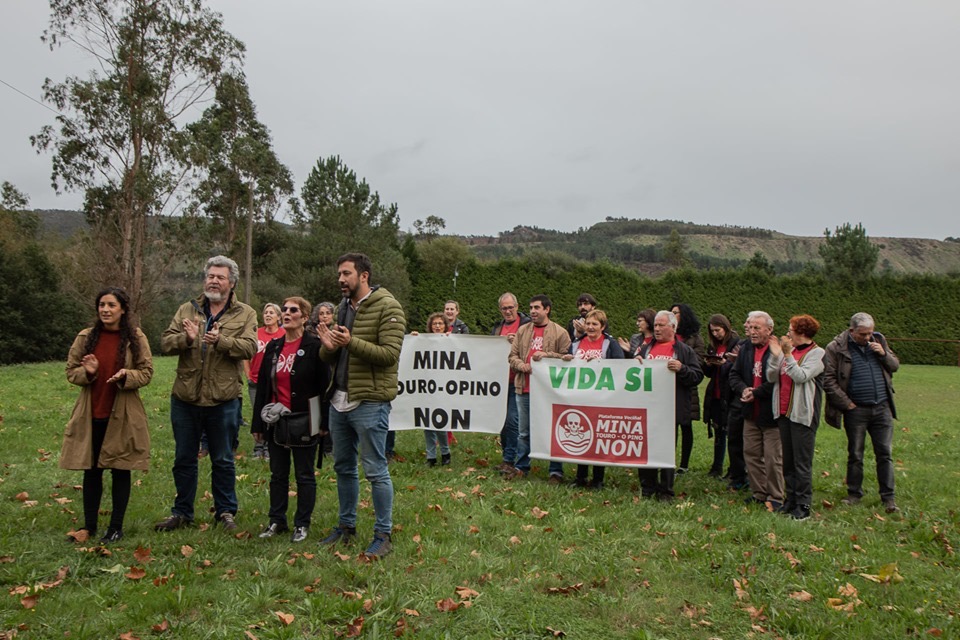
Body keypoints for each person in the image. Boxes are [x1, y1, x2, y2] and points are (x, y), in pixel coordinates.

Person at [155, 255, 257, 532]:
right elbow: (165, 342)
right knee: (184, 458)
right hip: (186, 397)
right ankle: (182, 512)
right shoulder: (187, 309)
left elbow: (250, 347)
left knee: (223, 459)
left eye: (220, 277)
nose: (213, 281)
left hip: (223, 398)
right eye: (210, 276)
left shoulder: (245, 313)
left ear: (232, 283)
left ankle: (225, 512)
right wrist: (186, 338)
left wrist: (221, 341)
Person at [317, 253, 405, 558]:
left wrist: (350, 342)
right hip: (339, 399)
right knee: (342, 467)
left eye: (346, 274)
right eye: (339, 274)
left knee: (375, 470)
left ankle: (383, 534)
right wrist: (328, 348)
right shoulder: (342, 307)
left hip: (369, 401)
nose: (340, 279)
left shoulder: (388, 306)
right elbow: (334, 355)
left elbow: (389, 355)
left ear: (363, 275)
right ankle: (346, 526)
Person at [61, 287, 153, 543]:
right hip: (92, 412)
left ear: (123, 309)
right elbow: (71, 371)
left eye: (111, 305)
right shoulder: (86, 337)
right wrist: (89, 372)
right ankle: (88, 526)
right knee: (91, 471)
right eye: (102, 305)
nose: (105, 309)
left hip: (123, 413)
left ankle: (115, 527)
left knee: (120, 469)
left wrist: (126, 375)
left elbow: (146, 372)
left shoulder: (135, 337)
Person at [252, 297, 330, 543]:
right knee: (278, 474)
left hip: (306, 417)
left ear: (304, 317)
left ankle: (302, 524)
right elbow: (263, 387)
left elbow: (324, 386)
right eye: (284, 309)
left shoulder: (314, 346)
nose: (286, 313)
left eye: (293, 310)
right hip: (277, 419)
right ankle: (276, 520)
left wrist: (323, 423)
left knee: (304, 474)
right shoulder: (274, 347)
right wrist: (258, 423)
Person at [823, 312, 900, 514]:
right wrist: (847, 404)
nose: (867, 337)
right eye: (862, 334)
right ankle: (854, 494)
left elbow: (895, 366)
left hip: (882, 407)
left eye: (870, 333)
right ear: (851, 331)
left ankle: (888, 498)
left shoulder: (879, 340)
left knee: (885, 453)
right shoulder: (836, 348)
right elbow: (828, 380)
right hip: (856, 410)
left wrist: (883, 354)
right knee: (856, 454)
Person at [634, 310, 703, 501]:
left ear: (673, 327)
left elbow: (697, 376)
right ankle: (647, 488)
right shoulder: (645, 348)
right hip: (648, 408)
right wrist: (635, 364)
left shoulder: (684, 351)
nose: (656, 329)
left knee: (665, 451)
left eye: (661, 325)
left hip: (670, 409)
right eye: (655, 325)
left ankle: (665, 490)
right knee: (646, 449)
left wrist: (682, 368)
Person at [507, 294, 572, 482]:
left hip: (549, 392)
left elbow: (567, 359)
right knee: (524, 432)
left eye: (537, 308)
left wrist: (547, 355)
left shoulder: (560, 332)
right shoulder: (522, 331)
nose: (532, 311)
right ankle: (521, 467)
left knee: (552, 431)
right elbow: (512, 356)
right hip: (524, 388)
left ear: (547, 309)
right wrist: (522, 366)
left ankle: (555, 471)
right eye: (531, 308)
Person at [767, 314, 825, 521]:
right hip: (783, 413)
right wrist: (776, 356)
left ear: (802, 333)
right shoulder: (788, 352)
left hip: (802, 415)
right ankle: (790, 500)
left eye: (791, 330)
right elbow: (771, 376)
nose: (787, 333)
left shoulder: (817, 354)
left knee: (801, 462)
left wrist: (787, 355)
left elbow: (801, 376)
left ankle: (803, 504)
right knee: (788, 462)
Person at [565, 309, 625, 489]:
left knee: (599, 438)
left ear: (603, 326)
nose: (590, 327)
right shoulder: (576, 343)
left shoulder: (610, 344)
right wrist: (565, 359)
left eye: (595, 324)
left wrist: (600, 363)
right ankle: (581, 477)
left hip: (602, 399)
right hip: (580, 398)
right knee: (581, 435)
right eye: (588, 324)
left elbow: (620, 366)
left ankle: (598, 479)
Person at [729, 311, 782, 510]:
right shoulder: (745, 349)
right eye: (750, 327)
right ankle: (759, 493)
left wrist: (756, 393)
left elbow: (778, 380)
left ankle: (776, 496)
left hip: (771, 413)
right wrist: (743, 389)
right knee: (751, 454)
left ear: (769, 329)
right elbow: (734, 375)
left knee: (772, 458)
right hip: (750, 412)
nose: (752, 332)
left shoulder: (777, 350)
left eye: (757, 328)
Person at [490, 292, 530, 474]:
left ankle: (510, 459)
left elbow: (534, 346)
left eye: (510, 307)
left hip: (518, 381)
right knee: (502, 421)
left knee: (512, 420)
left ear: (517, 306)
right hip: (500, 382)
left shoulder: (527, 325)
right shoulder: (497, 328)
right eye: (504, 308)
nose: (508, 311)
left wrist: (518, 343)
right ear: (500, 310)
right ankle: (507, 456)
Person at [670, 303, 706, 474]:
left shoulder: (695, 338)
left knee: (685, 424)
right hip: (668, 386)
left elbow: (698, 363)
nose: (672, 315)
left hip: (686, 385)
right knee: (670, 426)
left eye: (675, 312)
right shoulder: (668, 336)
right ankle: (669, 460)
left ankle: (684, 464)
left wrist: (681, 366)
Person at [703, 314, 740, 479]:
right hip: (716, 393)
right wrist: (708, 364)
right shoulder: (713, 346)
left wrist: (726, 364)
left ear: (726, 328)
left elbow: (739, 368)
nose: (715, 334)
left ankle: (734, 469)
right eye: (712, 331)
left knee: (732, 434)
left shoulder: (737, 344)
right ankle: (716, 466)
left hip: (730, 393)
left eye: (718, 330)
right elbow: (708, 374)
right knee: (718, 431)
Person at [414, 312, 453, 466]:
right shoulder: (424, 341)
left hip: (443, 388)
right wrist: (413, 339)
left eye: (440, 323)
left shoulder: (451, 341)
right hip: (426, 388)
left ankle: (445, 452)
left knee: (440, 423)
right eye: (434, 323)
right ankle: (431, 456)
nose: (437, 326)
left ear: (445, 326)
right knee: (427, 423)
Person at [247, 303, 283, 461]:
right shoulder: (256, 333)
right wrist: (248, 374)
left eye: (271, 313)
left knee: (271, 414)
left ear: (278, 317)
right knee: (258, 412)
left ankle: (269, 447)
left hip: (273, 382)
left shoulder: (282, 334)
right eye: (266, 312)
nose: (268, 315)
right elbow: (246, 355)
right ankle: (258, 447)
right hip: (255, 381)